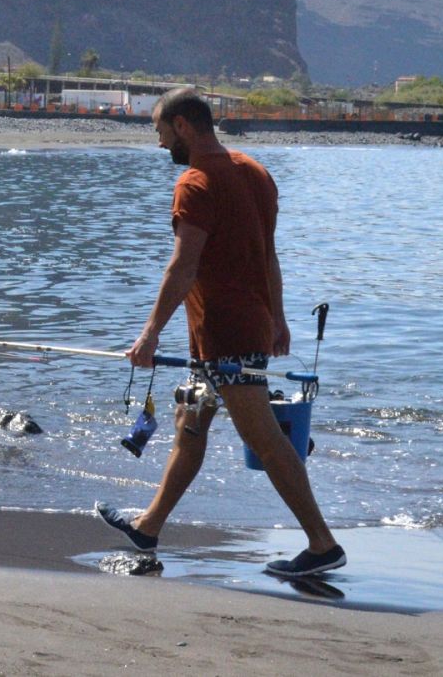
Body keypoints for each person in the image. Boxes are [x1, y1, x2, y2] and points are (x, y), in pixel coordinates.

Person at [97, 88, 343, 577]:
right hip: (236, 328)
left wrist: (148, 335)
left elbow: (181, 266)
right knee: (191, 419)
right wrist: (277, 317)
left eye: (161, 132)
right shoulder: (255, 172)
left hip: (226, 335)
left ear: (183, 126)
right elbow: (267, 256)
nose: (160, 143)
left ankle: (322, 544)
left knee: (268, 441)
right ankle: (149, 524)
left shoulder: (195, 182)